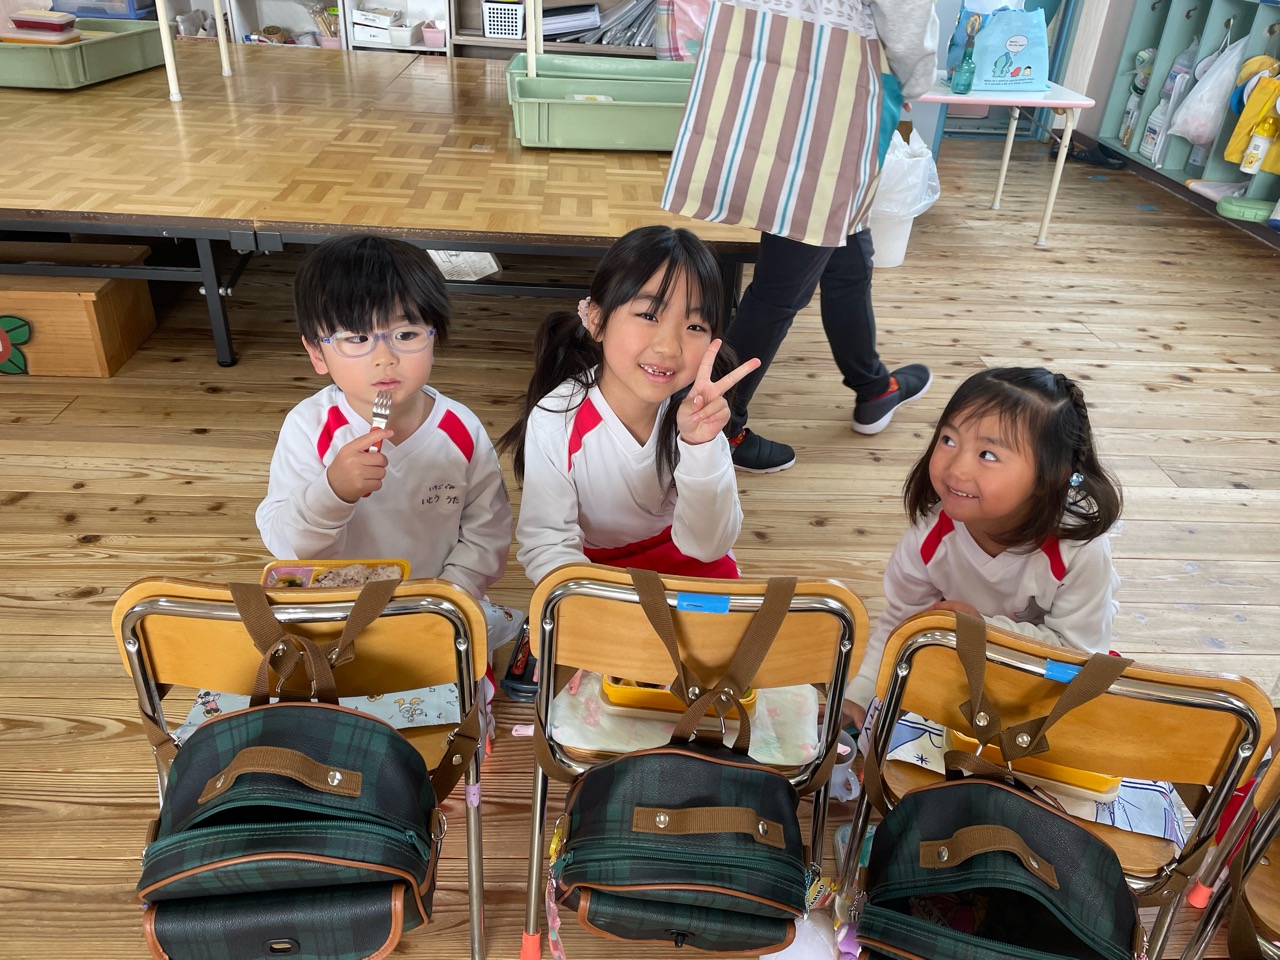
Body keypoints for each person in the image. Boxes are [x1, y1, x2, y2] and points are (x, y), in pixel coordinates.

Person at [253, 235, 520, 727]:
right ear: (317, 353)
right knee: (325, 710)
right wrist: (332, 492)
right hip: (333, 609)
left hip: (435, 602)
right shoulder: (309, 428)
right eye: (356, 339)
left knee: (454, 715)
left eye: (405, 333)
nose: (384, 358)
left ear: (434, 336)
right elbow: (287, 544)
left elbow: (488, 532)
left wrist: (450, 592)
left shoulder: (460, 430)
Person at [496, 225, 760, 696]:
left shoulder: (697, 419)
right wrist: (589, 612)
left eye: (694, 326)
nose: (669, 346)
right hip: (595, 572)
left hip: (687, 567)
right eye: (648, 315)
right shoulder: (557, 419)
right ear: (597, 320)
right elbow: (548, 541)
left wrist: (700, 447)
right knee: (587, 692)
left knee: (718, 679)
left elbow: (707, 546)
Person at [685, 0, 941, 473]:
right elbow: (904, 14)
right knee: (781, 287)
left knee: (848, 255)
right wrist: (908, 79)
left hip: (776, 77)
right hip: (834, 98)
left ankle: (873, 387)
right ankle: (717, 425)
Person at [843, 366, 1123, 728]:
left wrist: (979, 629)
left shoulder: (1079, 549)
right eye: (948, 440)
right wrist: (862, 692)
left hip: (1049, 683)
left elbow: (1079, 656)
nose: (956, 468)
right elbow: (902, 622)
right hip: (966, 664)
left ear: (1051, 475)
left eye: (988, 454)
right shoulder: (928, 535)